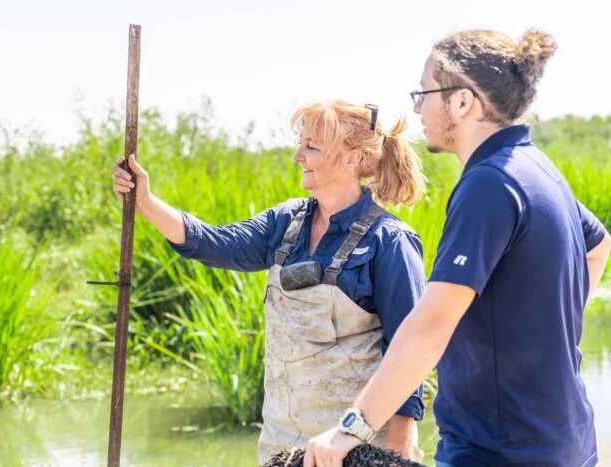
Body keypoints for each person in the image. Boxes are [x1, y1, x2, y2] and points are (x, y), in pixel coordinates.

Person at [303, 30, 611, 467]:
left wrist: (351, 428)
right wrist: (545, 337)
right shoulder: (537, 168)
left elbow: (432, 323)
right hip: (566, 441)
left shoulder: (489, 183)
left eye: (424, 93)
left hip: (500, 451)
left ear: (462, 102)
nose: (416, 107)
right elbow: (598, 247)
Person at [112, 100, 428, 464]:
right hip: (281, 445)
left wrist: (401, 441)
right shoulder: (285, 222)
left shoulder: (389, 240)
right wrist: (145, 202)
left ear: (351, 158)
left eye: (311, 146)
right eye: (300, 143)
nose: (298, 155)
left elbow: (409, 348)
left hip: (356, 447)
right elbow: (216, 244)